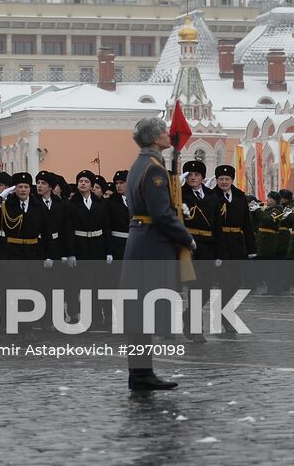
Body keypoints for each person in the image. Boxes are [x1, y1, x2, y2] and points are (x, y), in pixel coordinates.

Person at [120, 117, 196, 391]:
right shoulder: (154, 170)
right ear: (154, 138)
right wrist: (186, 237)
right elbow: (161, 214)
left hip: (140, 241)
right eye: (164, 131)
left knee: (139, 312)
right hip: (152, 244)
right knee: (145, 310)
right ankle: (141, 375)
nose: (168, 134)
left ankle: (140, 373)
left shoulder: (140, 165)